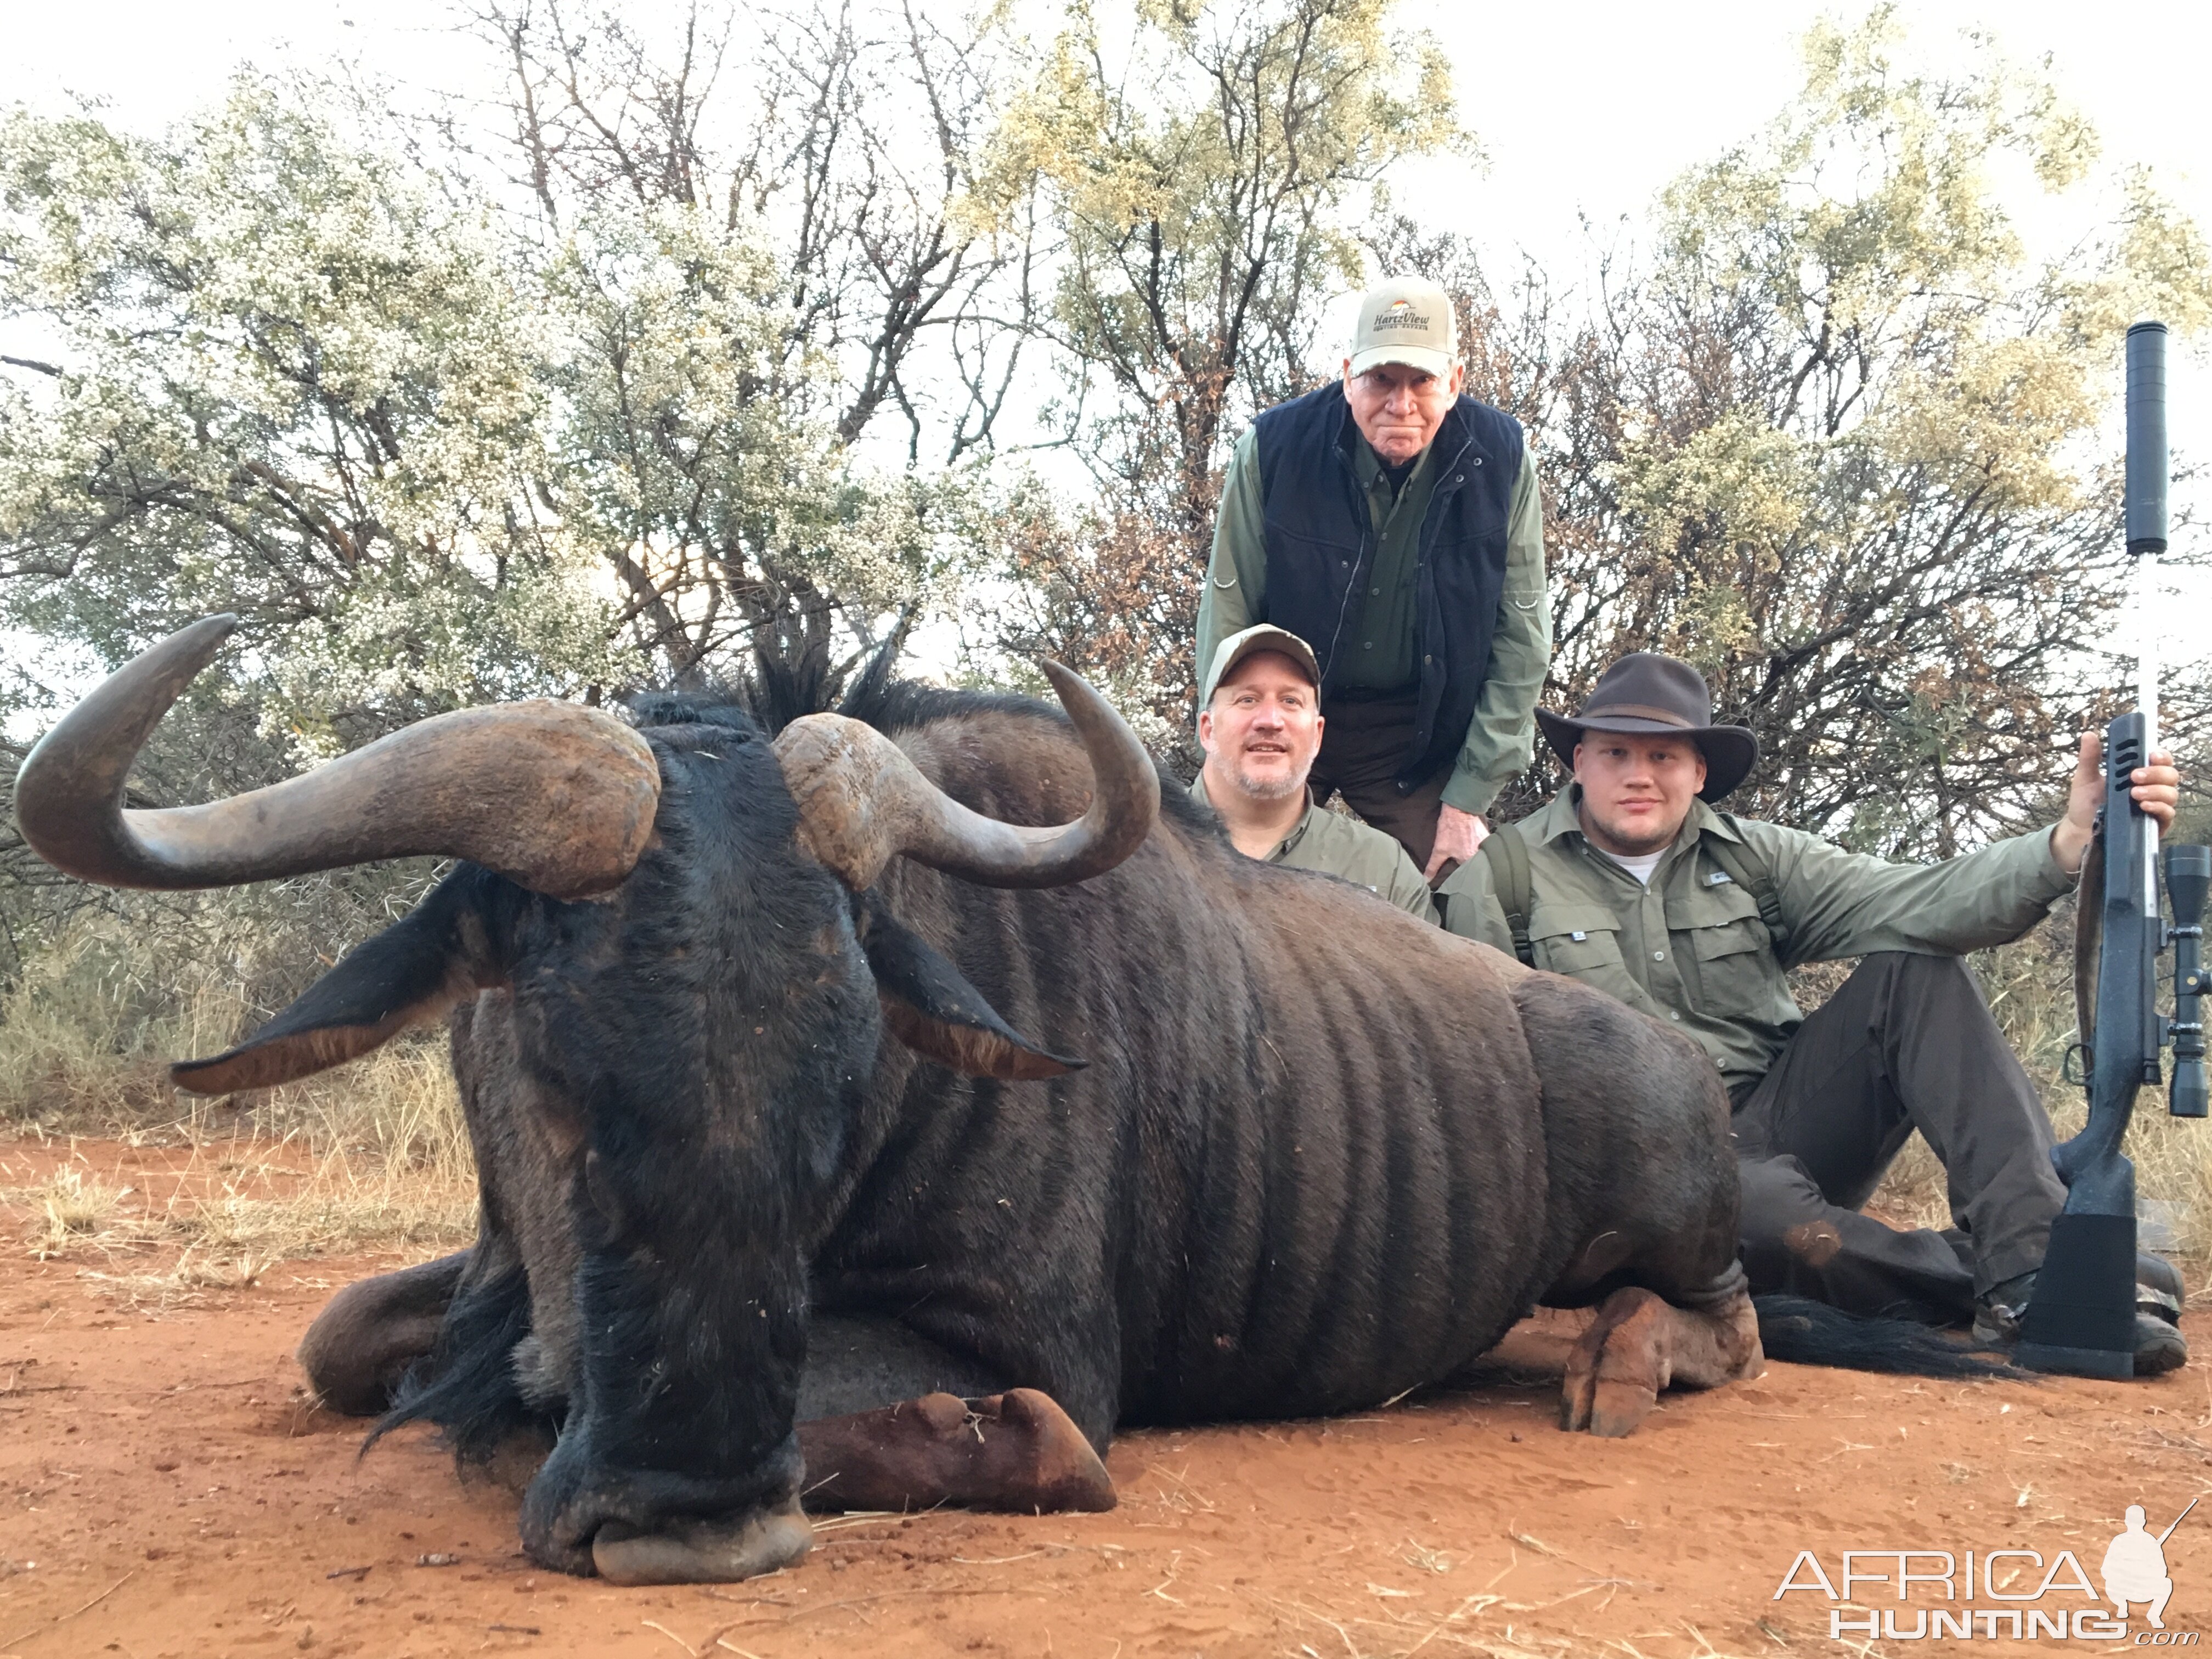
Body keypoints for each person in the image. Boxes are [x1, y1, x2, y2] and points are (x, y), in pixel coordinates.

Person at [1435, 651, 2190, 1372]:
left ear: (1698, 772)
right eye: (1616, 754)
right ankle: (2030, 1273)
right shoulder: (1501, 879)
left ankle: (2031, 1269)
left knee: (1913, 967)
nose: (1640, 776)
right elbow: (1478, 1071)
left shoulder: (1757, 858)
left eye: (1664, 757)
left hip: (1772, 1123)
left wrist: (2067, 843)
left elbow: (1919, 902)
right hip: (1624, 1168)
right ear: (1579, 763)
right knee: (1755, 1214)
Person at [1195, 275, 1549, 882]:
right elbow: (1229, 608)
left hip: (1415, 735)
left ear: (1455, 383)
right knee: (1199, 874)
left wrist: (1468, 797)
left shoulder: (1506, 459)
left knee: (1467, 891)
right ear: (1347, 375)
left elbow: (1521, 639)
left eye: (1422, 381)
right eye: (1380, 379)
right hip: (1294, 708)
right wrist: (1235, 736)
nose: (1400, 402)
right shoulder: (1272, 447)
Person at [1192, 624, 1436, 921]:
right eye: (1248, 700)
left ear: (1318, 735)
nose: (1270, 721)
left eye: (1290, 701)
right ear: (1207, 730)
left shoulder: (1384, 869)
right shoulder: (1137, 846)